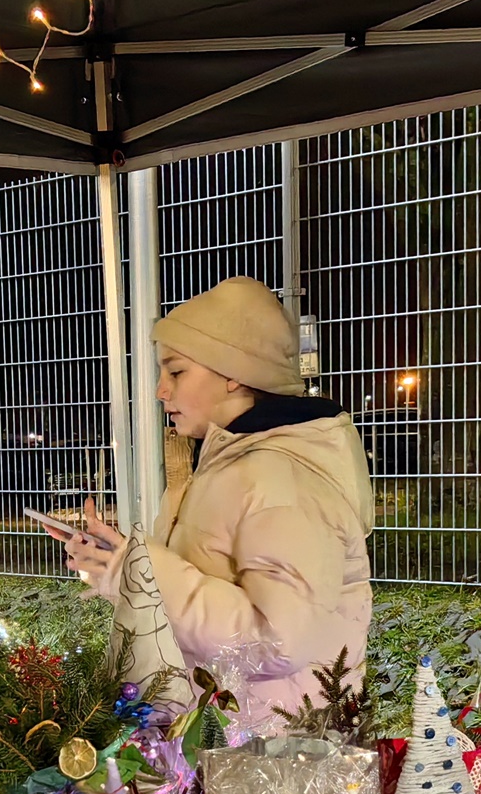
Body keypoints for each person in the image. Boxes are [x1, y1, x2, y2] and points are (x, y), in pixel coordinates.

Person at [58, 276, 374, 716]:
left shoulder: (280, 477)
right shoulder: (221, 463)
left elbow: (277, 642)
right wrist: (115, 564)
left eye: (176, 371)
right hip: (223, 732)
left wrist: (139, 571)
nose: (160, 390)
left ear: (233, 374)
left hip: (273, 747)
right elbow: (195, 599)